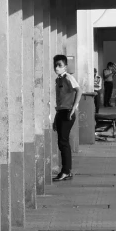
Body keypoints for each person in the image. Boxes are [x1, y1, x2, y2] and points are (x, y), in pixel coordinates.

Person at [52, 54, 82, 182]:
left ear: (65, 66)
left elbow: (79, 91)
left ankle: (66, 171)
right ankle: (65, 170)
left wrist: (74, 108)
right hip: (60, 112)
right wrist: (55, 119)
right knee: (61, 142)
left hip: (67, 112)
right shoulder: (58, 80)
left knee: (63, 142)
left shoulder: (68, 77)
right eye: (55, 65)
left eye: (60, 65)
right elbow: (59, 101)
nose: (57, 68)